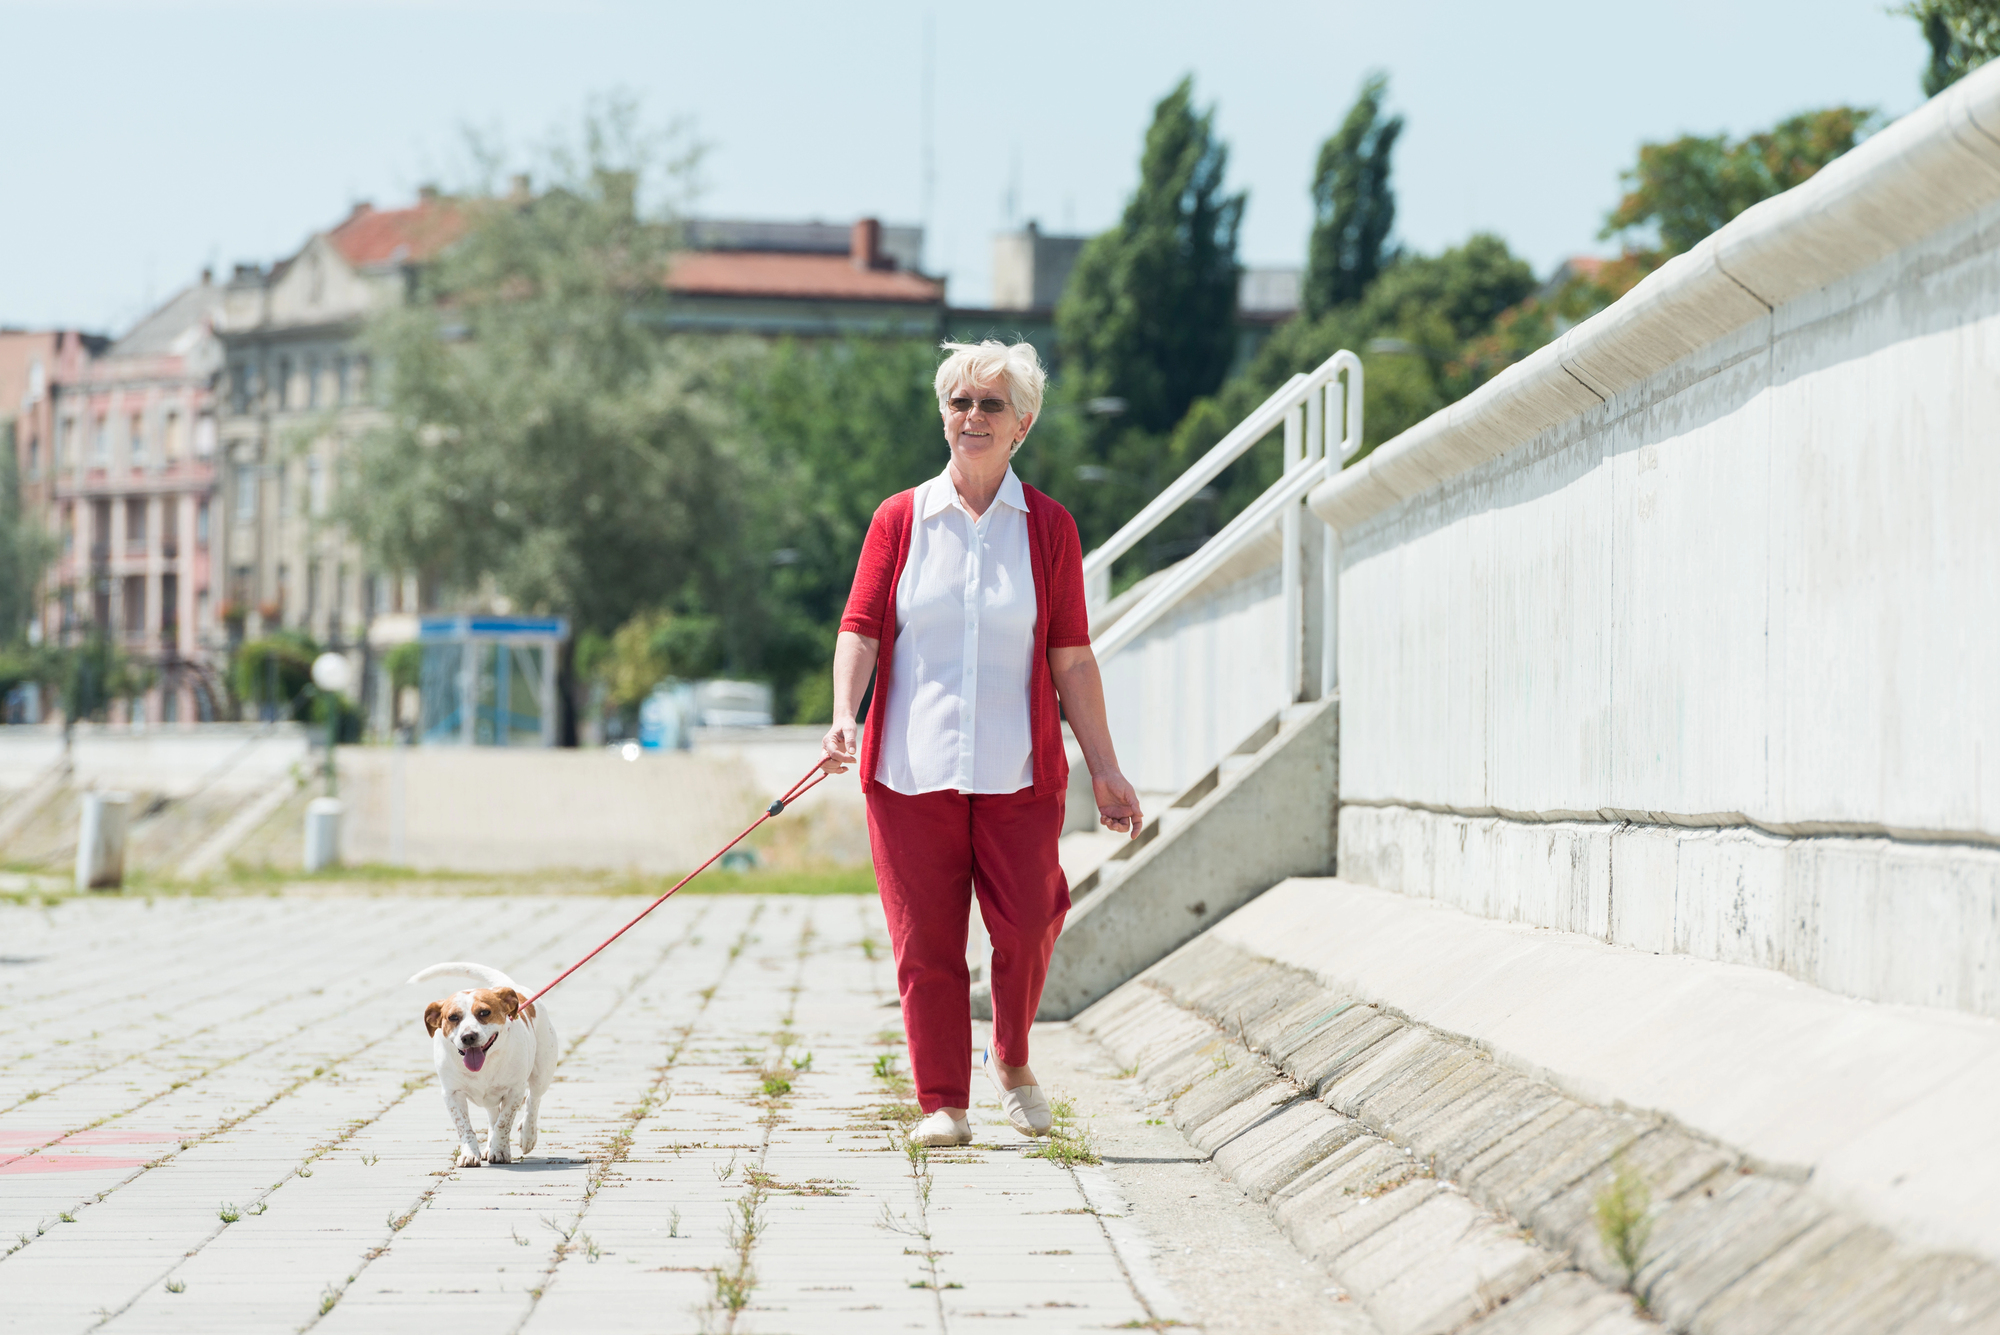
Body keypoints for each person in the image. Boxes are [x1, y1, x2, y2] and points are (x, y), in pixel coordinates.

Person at [822, 339, 1144, 1148]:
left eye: (990, 405)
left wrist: (1104, 768)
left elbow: (1071, 656)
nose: (972, 417)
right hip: (908, 769)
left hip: (1018, 771)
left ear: (1022, 425)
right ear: (943, 416)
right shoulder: (900, 519)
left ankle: (1011, 1055)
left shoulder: (1049, 529)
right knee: (925, 942)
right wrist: (842, 711)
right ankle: (943, 1102)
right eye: (959, 403)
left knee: (1034, 916)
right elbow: (860, 627)